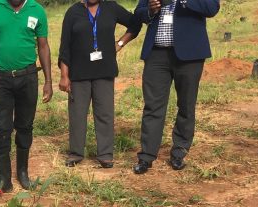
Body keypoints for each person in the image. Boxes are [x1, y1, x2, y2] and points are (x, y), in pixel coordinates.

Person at [132, 0, 220, 174]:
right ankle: (146, 156)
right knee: (152, 105)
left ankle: (179, 152)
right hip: (156, 54)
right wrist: (151, 10)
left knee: (186, 104)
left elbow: (211, 8)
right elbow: (139, 12)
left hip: (189, 56)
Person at [58, 0, 141, 168]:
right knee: (77, 114)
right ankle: (76, 153)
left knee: (105, 113)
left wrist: (119, 44)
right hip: (79, 73)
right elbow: (65, 47)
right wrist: (64, 75)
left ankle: (105, 154)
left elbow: (135, 24)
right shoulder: (73, 12)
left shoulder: (111, 7)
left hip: (104, 70)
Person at [0, 0, 53, 193]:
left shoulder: (37, 11)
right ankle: (4, 179)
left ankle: (22, 173)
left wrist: (48, 81)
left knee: (24, 126)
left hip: (28, 78)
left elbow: (43, 47)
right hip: (2, 79)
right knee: (1, 129)